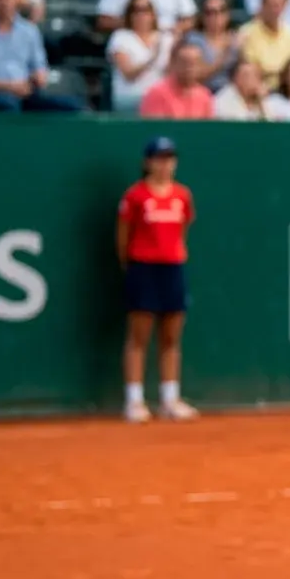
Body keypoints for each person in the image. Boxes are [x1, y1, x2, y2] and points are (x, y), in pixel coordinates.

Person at [116, 136, 200, 423]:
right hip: (143, 268)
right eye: (159, 158)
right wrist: (134, 264)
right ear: (148, 162)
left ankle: (170, 399)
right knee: (138, 337)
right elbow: (123, 238)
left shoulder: (182, 195)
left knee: (171, 337)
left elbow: (183, 231)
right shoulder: (135, 196)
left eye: (169, 158)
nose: (164, 164)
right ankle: (134, 401)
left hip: (173, 268)